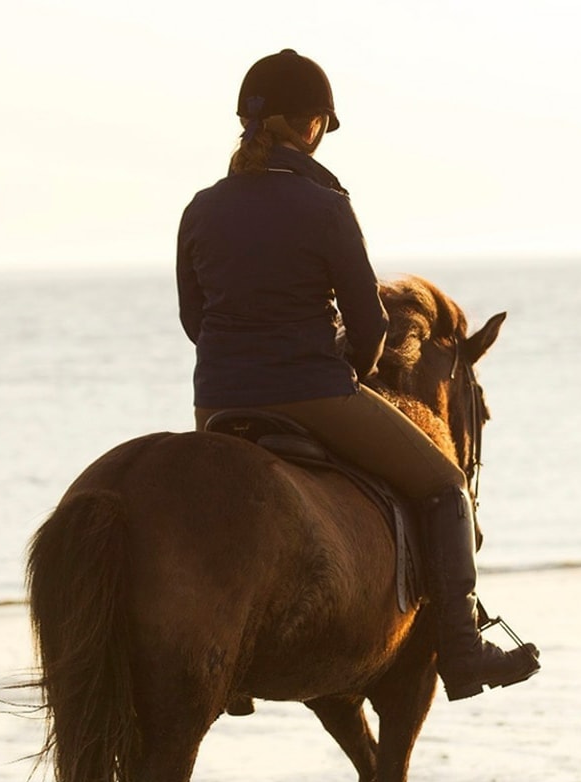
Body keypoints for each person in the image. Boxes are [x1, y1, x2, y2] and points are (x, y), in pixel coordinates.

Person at [176, 48, 540, 701]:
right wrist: (341, 367)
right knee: (444, 482)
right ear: (309, 123)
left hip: (218, 402)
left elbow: (193, 320)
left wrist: (242, 362)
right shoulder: (323, 203)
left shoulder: (201, 207)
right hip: (312, 392)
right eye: (320, 121)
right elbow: (369, 325)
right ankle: (461, 651)